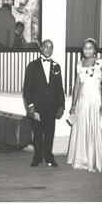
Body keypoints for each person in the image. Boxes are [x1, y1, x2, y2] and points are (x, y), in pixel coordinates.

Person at [67, 38, 102, 173]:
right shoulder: (79, 64)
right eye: (85, 48)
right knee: (82, 128)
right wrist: (73, 104)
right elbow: (77, 85)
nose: (87, 50)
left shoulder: (101, 63)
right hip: (83, 101)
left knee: (93, 127)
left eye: (90, 48)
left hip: (95, 100)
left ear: (95, 49)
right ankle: (82, 159)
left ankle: (93, 159)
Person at [23, 39, 65, 167]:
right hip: (37, 106)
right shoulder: (32, 65)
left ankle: (49, 157)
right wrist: (30, 105)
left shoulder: (56, 66)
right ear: (41, 48)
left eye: (51, 47)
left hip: (52, 106)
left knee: (50, 133)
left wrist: (61, 105)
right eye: (46, 46)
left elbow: (59, 87)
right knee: (37, 134)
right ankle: (37, 157)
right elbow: (27, 88)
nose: (48, 49)